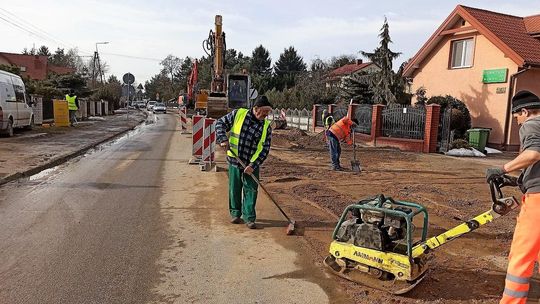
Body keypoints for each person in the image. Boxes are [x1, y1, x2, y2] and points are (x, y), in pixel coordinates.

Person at [485, 90, 540, 304]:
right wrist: (515, 181)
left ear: (525, 111)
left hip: (537, 202)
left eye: (517, 116)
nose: (517, 121)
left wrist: (502, 169)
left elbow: (534, 153)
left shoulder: (531, 125)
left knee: (520, 255)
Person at [216, 95, 273, 229]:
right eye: (264, 112)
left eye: (268, 112)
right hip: (235, 159)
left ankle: (249, 218)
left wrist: (253, 165)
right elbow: (220, 123)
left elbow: (265, 149)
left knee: (251, 190)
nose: (266, 115)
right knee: (235, 187)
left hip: (252, 164)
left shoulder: (266, 127)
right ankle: (235, 213)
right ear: (256, 108)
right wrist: (223, 139)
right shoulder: (238, 114)